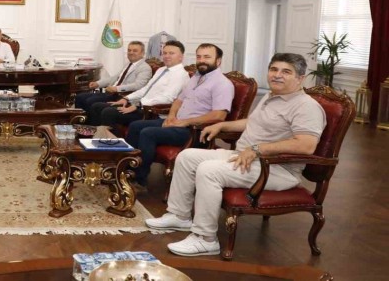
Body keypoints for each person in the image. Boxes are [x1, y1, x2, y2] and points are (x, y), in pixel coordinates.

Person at [146, 53, 326, 257]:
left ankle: (205, 238)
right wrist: (222, 125)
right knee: (187, 157)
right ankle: (179, 216)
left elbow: (306, 145)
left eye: (286, 72)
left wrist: (258, 149)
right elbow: (253, 122)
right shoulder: (273, 96)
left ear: (300, 78)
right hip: (245, 157)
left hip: (276, 169)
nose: (277, 75)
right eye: (274, 69)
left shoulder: (306, 106)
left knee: (209, 170)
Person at [125, 44, 234, 192]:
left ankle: (139, 181)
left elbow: (219, 115)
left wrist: (184, 122)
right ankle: (126, 170)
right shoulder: (196, 77)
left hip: (195, 131)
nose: (201, 60)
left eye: (207, 57)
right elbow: (178, 100)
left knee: (148, 133)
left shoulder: (223, 84)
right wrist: (171, 116)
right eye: (199, 56)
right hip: (178, 123)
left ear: (218, 61)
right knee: (136, 126)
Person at [88, 40, 189, 127]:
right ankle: (92, 137)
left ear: (181, 57)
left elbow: (167, 98)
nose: (166, 56)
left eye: (171, 53)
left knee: (108, 112)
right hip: (139, 105)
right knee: (98, 106)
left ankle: (111, 142)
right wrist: (126, 99)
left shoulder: (181, 75)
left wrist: (138, 105)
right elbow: (145, 89)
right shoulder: (161, 70)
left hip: (150, 111)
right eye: (165, 53)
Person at [75, 41, 151, 114]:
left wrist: (117, 88)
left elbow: (138, 85)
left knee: (90, 101)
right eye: (129, 50)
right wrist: (98, 83)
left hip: (122, 96)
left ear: (142, 53)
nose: (131, 53)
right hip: (112, 93)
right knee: (80, 97)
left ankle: (90, 122)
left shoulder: (145, 68)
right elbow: (114, 78)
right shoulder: (128, 64)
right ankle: (79, 120)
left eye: (135, 51)